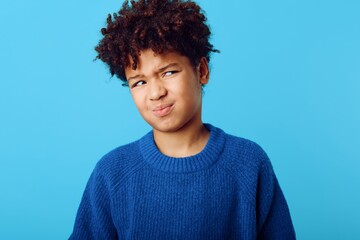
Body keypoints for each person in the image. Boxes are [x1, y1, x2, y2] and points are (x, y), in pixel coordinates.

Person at [69, 0, 296, 239]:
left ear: (202, 71)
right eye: (139, 82)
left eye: (168, 72)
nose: (156, 93)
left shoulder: (248, 163)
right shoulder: (112, 172)